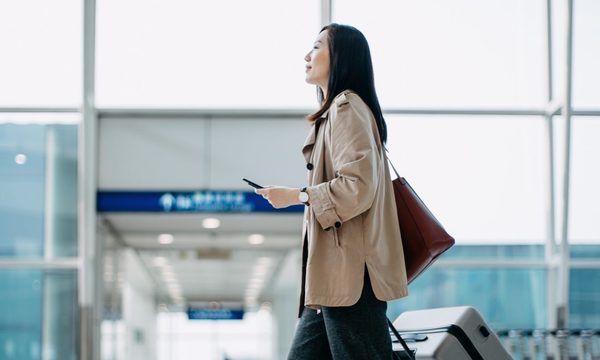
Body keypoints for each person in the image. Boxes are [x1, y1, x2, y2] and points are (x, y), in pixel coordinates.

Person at [256, 23, 408, 359]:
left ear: (339, 57)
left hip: (351, 277)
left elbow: (357, 188)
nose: (307, 56)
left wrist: (298, 196)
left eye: (316, 47)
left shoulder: (346, 107)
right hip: (332, 279)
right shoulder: (334, 113)